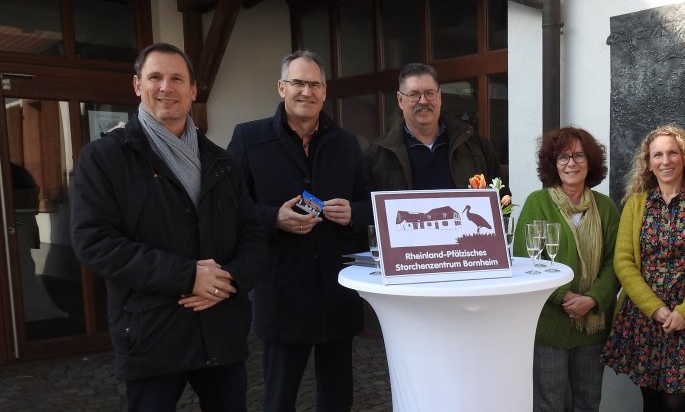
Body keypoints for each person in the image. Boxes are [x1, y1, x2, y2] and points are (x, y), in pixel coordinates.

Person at [69, 42, 266, 412]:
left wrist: (228, 281)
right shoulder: (105, 158)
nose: (166, 87)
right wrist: (187, 276)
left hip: (220, 324)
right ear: (137, 85)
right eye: (155, 77)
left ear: (192, 90)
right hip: (152, 332)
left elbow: (253, 233)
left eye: (177, 79)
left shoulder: (221, 161)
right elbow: (94, 241)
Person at [227, 50, 373, 412]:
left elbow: (370, 203)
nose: (306, 91)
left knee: (337, 397)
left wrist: (352, 213)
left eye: (314, 84)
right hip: (282, 289)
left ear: (324, 92)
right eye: (298, 83)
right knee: (279, 397)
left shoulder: (347, 143)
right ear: (282, 87)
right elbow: (228, 206)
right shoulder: (249, 138)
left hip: (336, 290)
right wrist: (273, 218)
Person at [600, 125, 685, 412]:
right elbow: (623, 261)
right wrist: (654, 308)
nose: (665, 161)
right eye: (657, 155)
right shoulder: (635, 205)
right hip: (644, 317)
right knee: (651, 401)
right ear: (648, 163)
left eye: (672, 153)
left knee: (677, 404)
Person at [512, 127, 620, 412]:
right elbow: (526, 260)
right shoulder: (538, 203)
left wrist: (592, 299)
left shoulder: (605, 207)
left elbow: (615, 262)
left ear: (590, 162)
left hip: (593, 324)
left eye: (579, 156)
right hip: (550, 324)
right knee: (548, 404)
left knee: (588, 403)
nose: (571, 163)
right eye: (563, 157)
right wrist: (565, 297)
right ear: (553, 163)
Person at [365, 62, 505, 191]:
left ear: (439, 96)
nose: (423, 101)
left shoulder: (476, 146)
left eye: (429, 93)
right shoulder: (376, 156)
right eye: (414, 95)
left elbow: (502, 198)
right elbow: (368, 206)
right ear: (400, 100)